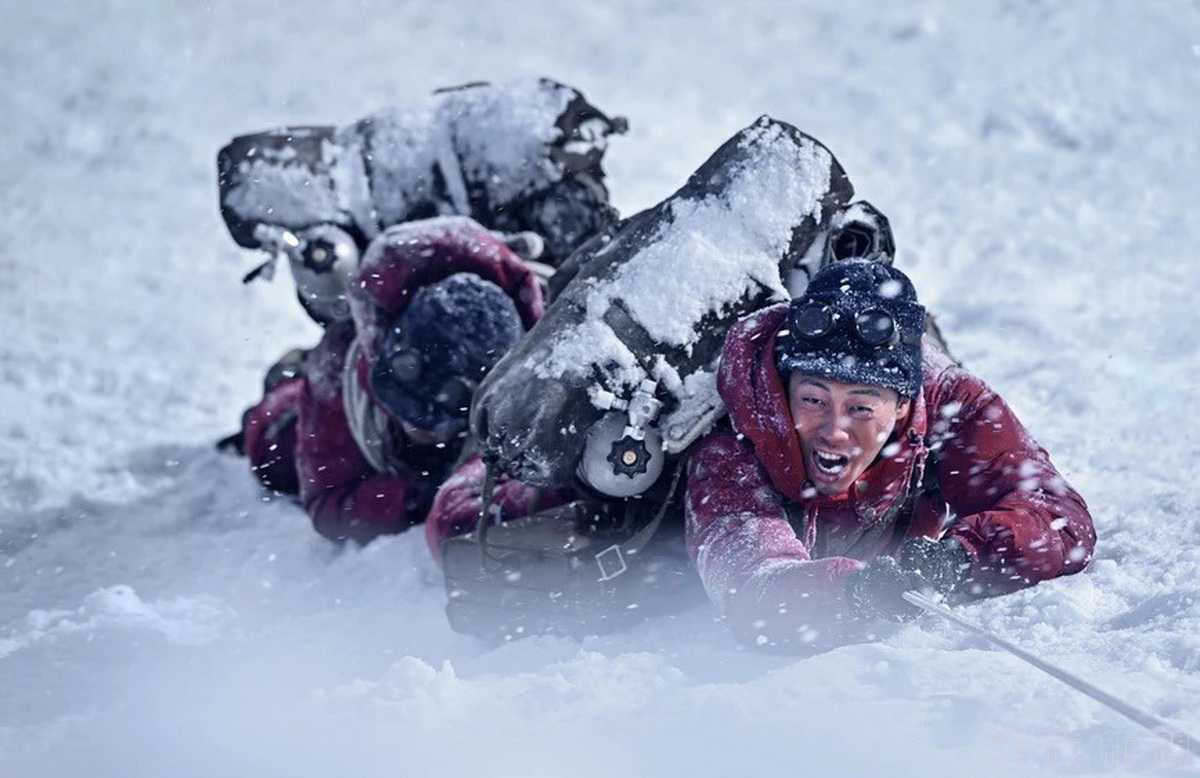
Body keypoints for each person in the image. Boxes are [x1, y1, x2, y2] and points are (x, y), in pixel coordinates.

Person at [685, 259, 1095, 652]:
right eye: (813, 400)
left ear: (902, 405)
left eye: (861, 408)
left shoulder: (950, 403)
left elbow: (1062, 521)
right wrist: (853, 593)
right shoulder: (739, 432)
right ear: (786, 390)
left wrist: (961, 557)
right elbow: (751, 592)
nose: (834, 430)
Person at [240, 217, 545, 543]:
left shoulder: (539, 352)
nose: (414, 427)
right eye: (405, 408)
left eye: (428, 420)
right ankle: (287, 381)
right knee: (270, 451)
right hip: (313, 410)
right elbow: (327, 504)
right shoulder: (337, 369)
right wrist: (415, 495)